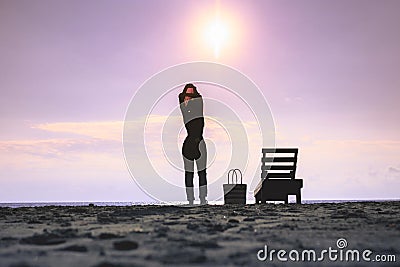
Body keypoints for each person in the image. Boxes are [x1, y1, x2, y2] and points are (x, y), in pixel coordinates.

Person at [179, 83, 208, 205]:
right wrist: (186, 98)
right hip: (189, 143)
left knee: (202, 172)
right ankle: (190, 199)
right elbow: (180, 97)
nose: (188, 96)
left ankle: (202, 197)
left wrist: (190, 97)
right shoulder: (184, 108)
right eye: (187, 94)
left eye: (191, 94)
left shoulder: (198, 104)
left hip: (199, 142)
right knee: (188, 173)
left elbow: (199, 99)